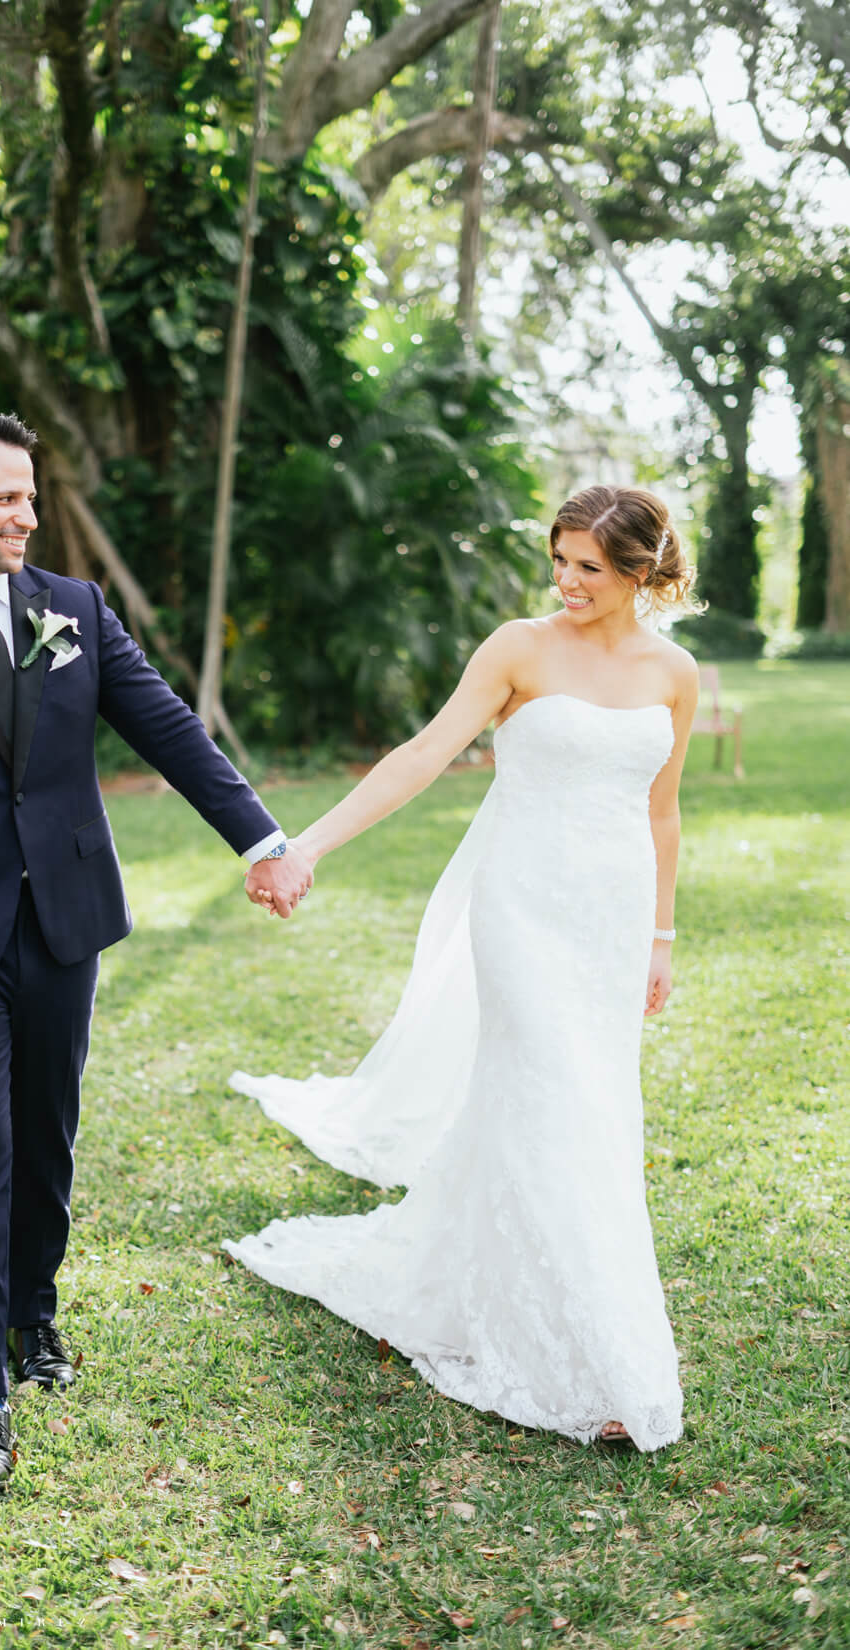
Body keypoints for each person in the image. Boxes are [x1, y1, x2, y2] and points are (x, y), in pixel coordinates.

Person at [0, 412, 312, 1492]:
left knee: (44, 1141)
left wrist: (261, 837)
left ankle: (34, 1315)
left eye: (31, 496)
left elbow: (166, 726)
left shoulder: (72, 610)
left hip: (64, 924)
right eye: (6, 498)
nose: (28, 516)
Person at [226, 485, 700, 1450]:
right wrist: (305, 845)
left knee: (593, 1109)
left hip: (609, 918)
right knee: (550, 1093)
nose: (566, 581)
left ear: (641, 572)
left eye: (590, 568)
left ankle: (514, 1291)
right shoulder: (518, 648)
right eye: (560, 559)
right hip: (521, 906)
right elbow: (423, 753)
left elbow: (663, 813)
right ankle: (591, 1356)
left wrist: (661, 936)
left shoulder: (675, 672)